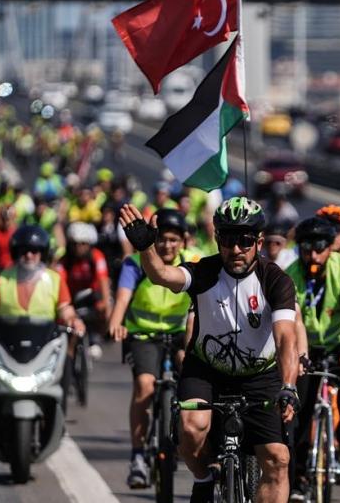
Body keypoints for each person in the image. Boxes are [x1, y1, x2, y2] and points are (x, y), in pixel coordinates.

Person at [118, 197, 298, 503]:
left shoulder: (276, 280)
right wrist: (146, 247)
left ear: (259, 242)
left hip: (260, 374)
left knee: (277, 459)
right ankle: (203, 479)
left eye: (244, 240)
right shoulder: (204, 271)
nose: (236, 249)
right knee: (192, 428)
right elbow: (162, 275)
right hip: (206, 369)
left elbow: (285, 340)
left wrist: (289, 386)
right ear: (217, 239)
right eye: (227, 239)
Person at [107, 209, 193, 489]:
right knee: (144, 386)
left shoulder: (193, 262)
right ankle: (138, 457)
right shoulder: (135, 263)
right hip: (143, 335)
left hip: (180, 334)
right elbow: (122, 298)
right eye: (162, 239)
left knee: (193, 375)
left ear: (184, 241)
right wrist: (116, 323)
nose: (167, 246)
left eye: (173, 240)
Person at [285, 217, 340, 493]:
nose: (313, 256)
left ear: (330, 248)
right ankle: (299, 476)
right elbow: (288, 320)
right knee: (300, 410)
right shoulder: (291, 275)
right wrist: (297, 355)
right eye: (307, 249)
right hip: (305, 346)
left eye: (320, 249)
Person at [0, 225, 83, 335]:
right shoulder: (1, 279)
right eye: (24, 250)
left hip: (45, 341)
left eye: (34, 251)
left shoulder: (55, 280)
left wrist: (73, 319)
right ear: (16, 252)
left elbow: (65, 308)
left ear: (42, 253)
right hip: (8, 340)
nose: (29, 255)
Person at [58, 222, 112, 357]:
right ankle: (68, 356)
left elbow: (103, 280)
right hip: (71, 296)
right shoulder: (65, 260)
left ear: (89, 244)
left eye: (83, 244)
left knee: (104, 307)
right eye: (75, 244)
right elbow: (59, 282)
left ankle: (96, 337)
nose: (79, 248)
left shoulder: (96, 256)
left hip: (92, 295)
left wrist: (106, 305)